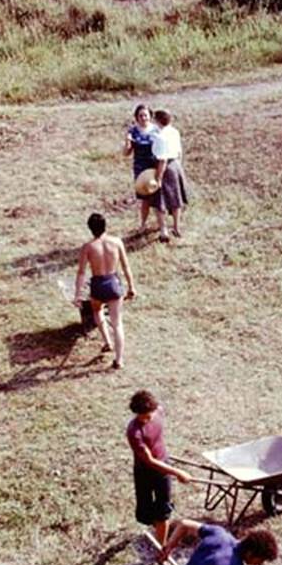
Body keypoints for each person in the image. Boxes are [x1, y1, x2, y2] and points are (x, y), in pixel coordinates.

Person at [126, 390, 192, 547]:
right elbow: (149, 460)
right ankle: (159, 525)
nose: (146, 419)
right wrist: (178, 472)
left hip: (163, 469)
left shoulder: (159, 411)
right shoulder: (134, 432)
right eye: (142, 416)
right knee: (144, 513)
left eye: (149, 415)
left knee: (162, 510)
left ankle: (162, 547)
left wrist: (170, 470)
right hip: (145, 472)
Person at [74, 212, 136, 370]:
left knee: (97, 310)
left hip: (98, 285)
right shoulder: (116, 242)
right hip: (113, 283)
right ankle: (119, 359)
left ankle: (107, 342)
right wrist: (131, 286)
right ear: (105, 225)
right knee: (117, 323)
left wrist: (78, 294)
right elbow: (125, 266)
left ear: (90, 229)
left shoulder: (88, 247)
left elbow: (81, 272)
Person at [152, 109, 189, 242]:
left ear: (157, 120)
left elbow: (162, 160)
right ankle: (176, 227)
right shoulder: (174, 132)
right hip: (176, 165)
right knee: (176, 199)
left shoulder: (160, 137)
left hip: (165, 167)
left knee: (160, 200)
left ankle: (163, 231)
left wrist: (159, 178)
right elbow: (180, 152)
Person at [123, 104, 158, 232]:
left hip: (156, 166)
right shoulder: (133, 131)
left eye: (146, 115)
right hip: (141, 168)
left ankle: (161, 224)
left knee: (158, 196)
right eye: (141, 116)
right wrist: (127, 142)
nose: (143, 118)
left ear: (150, 116)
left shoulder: (157, 130)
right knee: (145, 198)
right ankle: (143, 224)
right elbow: (126, 153)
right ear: (136, 117)